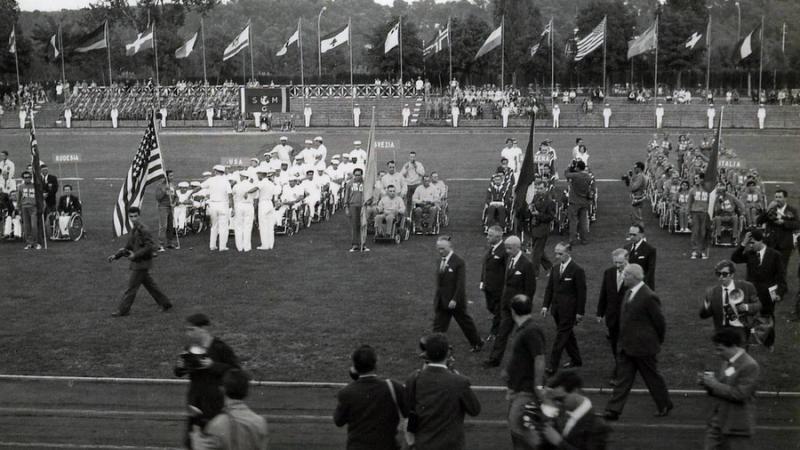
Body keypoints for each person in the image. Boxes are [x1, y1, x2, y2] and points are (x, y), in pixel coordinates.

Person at [603, 264, 672, 421]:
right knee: (623, 379)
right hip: (627, 346)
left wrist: (656, 341)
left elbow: (660, 322)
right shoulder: (629, 293)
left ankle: (665, 404)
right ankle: (613, 410)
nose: (623, 277)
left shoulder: (648, 296)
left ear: (634, 277)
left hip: (644, 348)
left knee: (652, 377)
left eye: (626, 275)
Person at [404, 333, 481, 450]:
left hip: (423, 445)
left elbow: (408, 411)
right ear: (447, 354)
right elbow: (475, 410)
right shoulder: (459, 381)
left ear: (426, 355)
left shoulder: (414, 378)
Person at [175, 313, 241, 449]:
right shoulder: (190, 349)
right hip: (195, 401)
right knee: (191, 441)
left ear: (204, 328)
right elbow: (178, 372)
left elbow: (236, 371)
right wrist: (180, 367)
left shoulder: (220, 348)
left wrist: (213, 365)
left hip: (214, 402)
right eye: (187, 330)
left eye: (191, 329)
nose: (188, 334)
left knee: (214, 440)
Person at [334, 345, 407, 450]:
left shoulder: (346, 392)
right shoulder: (393, 386)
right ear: (375, 365)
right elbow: (409, 414)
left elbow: (338, 421)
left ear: (354, 367)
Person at [699, 328, 760, 450]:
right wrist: (707, 385)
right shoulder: (728, 362)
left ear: (733, 346)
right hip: (719, 422)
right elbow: (724, 387)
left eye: (720, 349)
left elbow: (740, 394)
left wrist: (714, 384)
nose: (717, 353)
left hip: (737, 426)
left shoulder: (750, 365)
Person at [107, 206, 173, 317]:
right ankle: (165, 303)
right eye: (131, 217)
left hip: (141, 263)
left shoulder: (144, 230)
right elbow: (128, 246)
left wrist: (135, 255)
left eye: (135, 216)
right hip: (139, 263)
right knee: (151, 285)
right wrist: (116, 256)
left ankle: (123, 310)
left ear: (139, 216)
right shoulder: (134, 230)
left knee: (131, 288)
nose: (133, 219)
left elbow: (150, 246)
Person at [484, 236, 536, 367]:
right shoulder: (509, 260)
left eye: (509, 248)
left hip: (520, 308)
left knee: (524, 335)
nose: (506, 251)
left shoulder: (526, 264)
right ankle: (494, 360)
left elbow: (530, 288)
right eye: (506, 248)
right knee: (502, 333)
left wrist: (525, 307)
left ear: (518, 247)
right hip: (507, 304)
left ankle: (529, 359)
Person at [504, 294, 547, 450]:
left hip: (526, 392)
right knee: (517, 430)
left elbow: (540, 358)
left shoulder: (531, 330)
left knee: (520, 431)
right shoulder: (526, 329)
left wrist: (538, 386)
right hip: (519, 389)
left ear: (513, 311)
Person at [731, 229, 786, 346]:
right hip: (751, 292)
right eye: (749, 243)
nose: (751, 245)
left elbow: (781, 278)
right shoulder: (750, 254)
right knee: (748, 316)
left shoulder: (775, 255)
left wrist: (779, 294)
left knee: (768, 317)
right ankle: (749, 339)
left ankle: (769, 342)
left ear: (761, 241)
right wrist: (743, 243)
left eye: (753, 243)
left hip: (767, 293)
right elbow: (735, 258)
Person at [190, 369, 269, 450]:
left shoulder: (218, 424)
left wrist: (196, 437)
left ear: (223, 390)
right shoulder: (260, 422)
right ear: (247, 392)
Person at [528, 370, 609, 449]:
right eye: (554, 400)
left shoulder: (597, 426)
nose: (557, 404)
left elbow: (557, 442)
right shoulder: (557, 416)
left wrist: (559, 442)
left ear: (576, 392)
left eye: (561, 399)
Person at [432, 236, 483, 351]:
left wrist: (454, 299)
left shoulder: (458, 262)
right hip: (442, 300)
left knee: (465, 323)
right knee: (438, 326)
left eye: (443, 249)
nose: (440, 251)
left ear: (450, 247)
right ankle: (436, 348)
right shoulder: (440, 261)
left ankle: (477, 343)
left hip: (455, 302)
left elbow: (460, 284)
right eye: (438, 249)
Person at [542, 242, 586, 374]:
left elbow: (582, 293)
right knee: (568, 335)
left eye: (560, 253)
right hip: (556, 309)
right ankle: (576, 359)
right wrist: (545, 305)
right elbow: (549, 288)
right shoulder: (555, 269)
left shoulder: (577, 270)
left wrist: (580, 312)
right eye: (556, 253)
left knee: (561, 337)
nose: (557, 256)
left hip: (569, 311)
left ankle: (552, 366)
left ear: (568, 253)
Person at [700, 260, 761, 340]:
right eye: (718, 274)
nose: (721, 277)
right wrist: (706, 304)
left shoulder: (746, 287)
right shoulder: (713, 292)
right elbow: (703, 315)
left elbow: (758, 305)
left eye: (724, 274)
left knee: (739, 352)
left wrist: (746, 307)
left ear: (732, 275)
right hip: (721, 331)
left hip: (741, 329)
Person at [597, 249, 629, 386]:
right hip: (612, 316)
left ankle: (619, 372)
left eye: (620, 263)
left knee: (624, 345)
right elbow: (604, 293)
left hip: (628, 318)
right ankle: (622, 367)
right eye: (615, 262)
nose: (618, 265)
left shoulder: (634, 273)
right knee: (615, 345)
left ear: (627, 259)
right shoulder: (609, 273)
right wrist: (600, 312)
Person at [757, 189, 799, 272]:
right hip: (771, 243)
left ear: (785, 198)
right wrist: (768, 209)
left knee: (782, 268)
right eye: (776, 197)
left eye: (780, 197)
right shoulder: (771, 209)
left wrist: (784, 222)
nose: (777, 199)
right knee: (769, 267)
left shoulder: (792, 210)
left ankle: (780, 284)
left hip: (785, 244)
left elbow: (797, 224)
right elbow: (759, 221)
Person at [480, 225, 507, 340]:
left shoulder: (504, 251)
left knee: (498, 311)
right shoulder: (492, 248)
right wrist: (482, 281)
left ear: (498, 236)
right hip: (488, 286)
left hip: (499, 288)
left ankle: (495, 333)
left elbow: (507, 270)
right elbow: (485, 265)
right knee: (490, 307)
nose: (487, 237)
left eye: (490, 235)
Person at [200, 165, 234, 252]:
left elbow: (199, 187)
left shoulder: (210, 180)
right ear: (222, 172)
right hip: (223, 205)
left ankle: (212, 246)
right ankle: (222, 247)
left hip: (213, 205)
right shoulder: (226, 181)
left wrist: (190, 193)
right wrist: (232, 206)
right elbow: (230, 194)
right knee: (223, 226)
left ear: (216, 171)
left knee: (214, 226)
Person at [528, 178, 556, 277]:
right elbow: (533, 207)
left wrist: (538, 214)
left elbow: (551, 217)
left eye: (540, 188)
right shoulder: (535, 197)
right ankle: (550, 268)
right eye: (537, 188)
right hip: (535, 227)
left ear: (546, 188)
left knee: (536, 252)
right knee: (539, 250)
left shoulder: (550, 201)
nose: (538, 190)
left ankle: (534, 273)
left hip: (543, 229)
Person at [565, 160, 593, 245]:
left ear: (577, 168)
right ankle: (584, 240)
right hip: (584, 201)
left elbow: (566, 174)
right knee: (583, 221)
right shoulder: (588, 177)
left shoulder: (575, 176)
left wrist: (570, 166)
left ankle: (572, 240)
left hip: (574, 201)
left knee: (573, 221)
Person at [253, 169, 279, 250]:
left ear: (261, 174)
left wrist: (246, 191)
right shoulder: (271, 183)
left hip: (263, 203)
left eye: (258, 174)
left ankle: (264, 245)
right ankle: (271, 244)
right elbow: (276, 193)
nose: (257, 176)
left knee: (263, 225)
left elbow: (255, 189)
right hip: (270, 204)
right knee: (270, 226)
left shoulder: (262, 182)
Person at [625, 224, 656, 289]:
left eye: (634, 235)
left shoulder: (650, 249)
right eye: (630, 234)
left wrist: (639, 284)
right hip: (629, 285)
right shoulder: (626, 247)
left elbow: (650, 271)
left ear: (641, 235)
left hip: (643, 286)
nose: (631, 237)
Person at [344, 168, 368, 252]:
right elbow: (346, 196)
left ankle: (363, 244)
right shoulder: (349, 184)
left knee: (363, 225)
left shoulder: (365, 183)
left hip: (362, 206)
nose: (358, 176)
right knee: (354, 225)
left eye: (359, 175)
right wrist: (346, 207)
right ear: (354, 175)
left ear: (362, 175)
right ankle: (355, 244)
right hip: (353, 206)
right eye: (356, 175)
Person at [232, 172, 255, 252]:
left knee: (238, 226)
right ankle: (247, 247)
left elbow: (233, 195)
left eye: (240, 176)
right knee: (247, 226)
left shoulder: (237, 185)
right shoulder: (252, 185)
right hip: (248, 206)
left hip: (239, 205)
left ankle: (239, 247)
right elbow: (255, 197)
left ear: (243, 177)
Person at [689, 174, 711, 259]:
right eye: (695, 178)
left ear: (702, 179)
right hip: (695, 213)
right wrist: (688, 214)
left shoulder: (708, 190)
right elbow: (689, 203)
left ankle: (702, 251)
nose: (695, 180)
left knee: (703, 232)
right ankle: (694, 250)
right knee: (695, 231)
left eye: (697, 178)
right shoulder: (692, 190)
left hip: (705, 213)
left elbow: (710, 202)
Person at [17, 171, 40, 250]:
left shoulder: (35, 186)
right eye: (25, 177)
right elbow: (19, 198)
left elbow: (39, 197)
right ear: (23, 178)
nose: (27, 179)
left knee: (34, 226)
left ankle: (36, 243)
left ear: (31, 178)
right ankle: (29, 243)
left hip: (33, 207)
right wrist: (18, 208)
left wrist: (41, 206)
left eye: (29, 177)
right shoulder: (20, 186)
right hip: (24, 207)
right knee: (27, 227)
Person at [155, 171, 178, 251]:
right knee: (163, 226)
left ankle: (169, 243)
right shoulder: (160, 186)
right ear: (166, 177)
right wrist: (164, 191)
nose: (172, 177)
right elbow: (158, 198)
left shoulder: (173, 185)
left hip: (171, 207)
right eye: (170, 176)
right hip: (163, 207)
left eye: (172, 175)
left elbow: (176, 197)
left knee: (170, 226)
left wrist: (174, 203)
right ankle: (160, 244)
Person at [628, 162, 646, 226]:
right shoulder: (640, 176)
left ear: (639, 168)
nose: (634, 169)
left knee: (636, 217)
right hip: (638, 197)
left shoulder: (640, 177)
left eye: (635, 168)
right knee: (635, 215)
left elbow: (633, 187)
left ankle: (639, 234)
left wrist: (630, 180)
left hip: (637, 198)